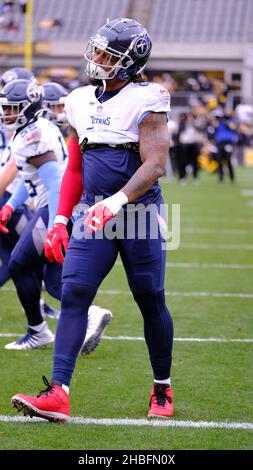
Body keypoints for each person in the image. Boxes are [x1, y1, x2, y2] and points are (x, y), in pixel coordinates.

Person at [11, 17, 174, 421]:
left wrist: (116, 201)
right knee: (75, 291)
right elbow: (76, 170)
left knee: (149, 297)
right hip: (92, 212)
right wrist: (61, 219)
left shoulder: (148, 98)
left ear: (128, 62)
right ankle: (58, 393)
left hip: (137, 212)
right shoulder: (80, 100)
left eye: (107, 54)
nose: (96, 58)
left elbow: (155, 165)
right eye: (97, 49)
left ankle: (161, 388)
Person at [0, 78, 112, 351]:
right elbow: (32, 179)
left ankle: (38, 331)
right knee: (52, 281)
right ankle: (89, 314)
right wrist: (11, 206)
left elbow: (54, 184)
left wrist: (54, 227)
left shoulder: (32, 137)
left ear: (28, 107)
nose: (6, 114)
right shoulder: (32, 130)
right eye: (5, 108)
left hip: (56, 208)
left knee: (18, 264)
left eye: (12, 109)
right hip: (59, 208)